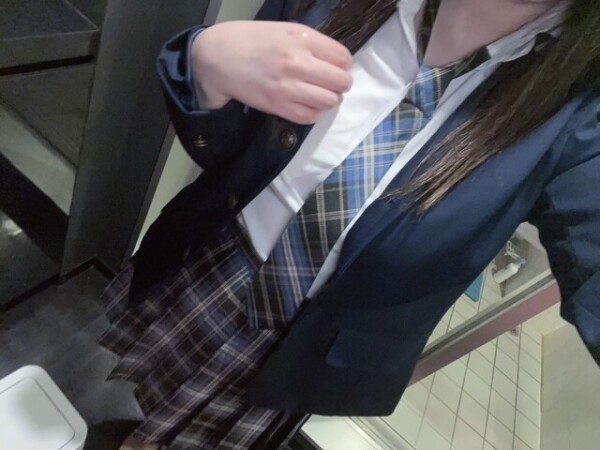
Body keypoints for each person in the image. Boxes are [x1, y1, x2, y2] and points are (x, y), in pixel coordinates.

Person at [99, 0, 599, 449]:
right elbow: (229, 147)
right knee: (145, 400)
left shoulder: (582, 112)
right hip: (213, 260)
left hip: (307, 341)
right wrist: (204, 63)